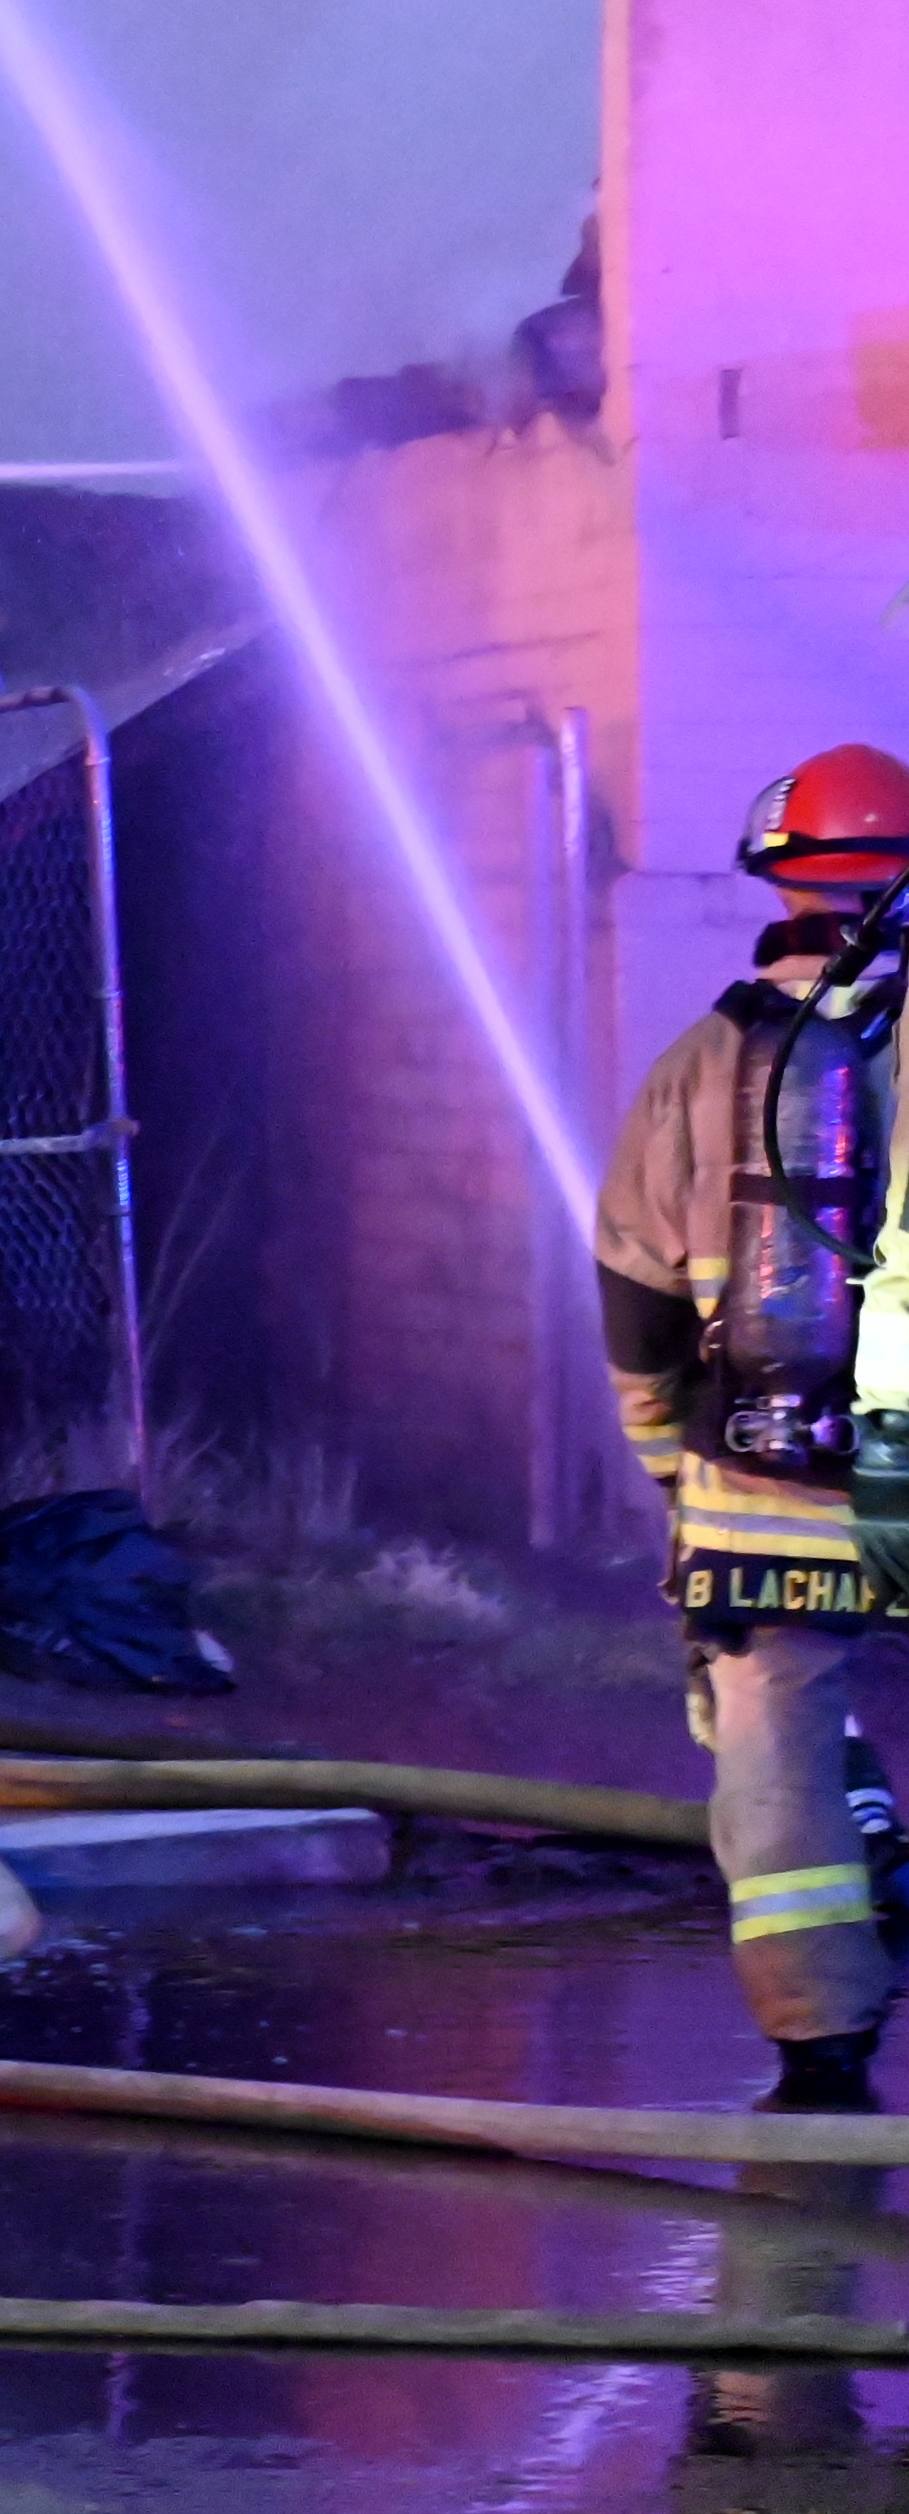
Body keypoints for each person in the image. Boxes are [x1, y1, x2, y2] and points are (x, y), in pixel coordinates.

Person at [614, 743, 909, 2111]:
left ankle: (820, 2039)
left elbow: (635, 1297)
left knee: (773, 1742)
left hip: (764, 1476)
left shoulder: (697, 1066)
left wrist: (671, 1468)